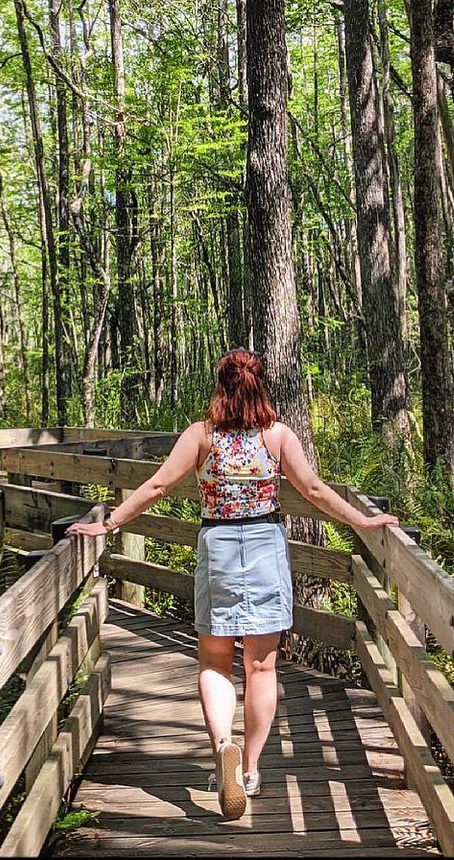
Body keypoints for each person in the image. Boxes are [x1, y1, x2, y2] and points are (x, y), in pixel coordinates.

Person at [66, 348, 398, 820]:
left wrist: (109, 524)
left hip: (218, 547)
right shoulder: (276, 436)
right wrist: (363, 522)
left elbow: (158, 485)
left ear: (220, 385)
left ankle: (224, 744)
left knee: (214, 661)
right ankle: (250, 769)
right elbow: (313, 489)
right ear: (261, 385)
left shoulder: (201, 436)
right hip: (265, 546)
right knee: (261, 667)